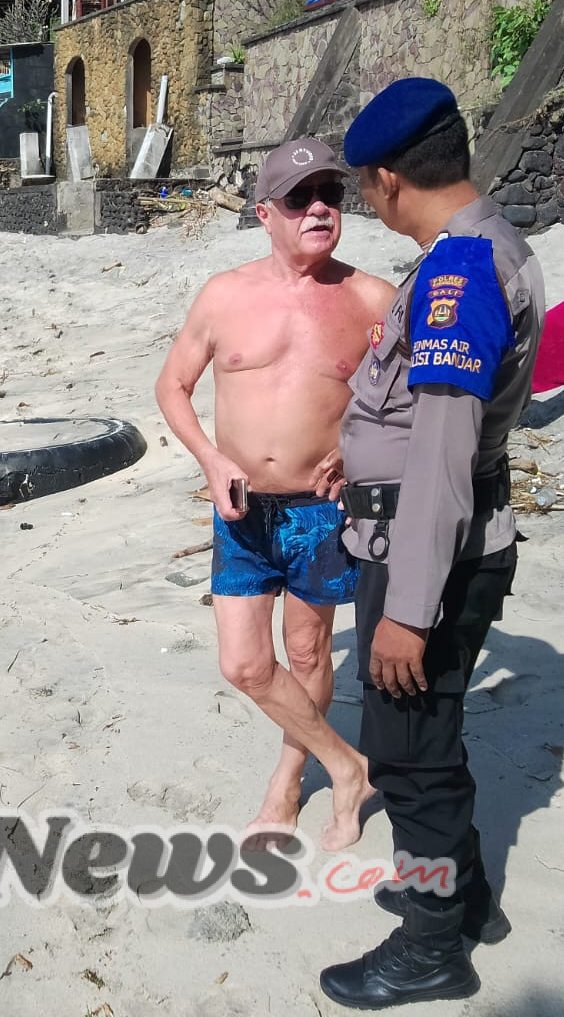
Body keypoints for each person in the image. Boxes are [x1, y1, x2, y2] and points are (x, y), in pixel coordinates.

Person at [315, 79, 544, 1009]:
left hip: (428, 552)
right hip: (416, 528)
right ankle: (461, 895)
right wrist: (357, 457)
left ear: (385, 180)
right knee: (427, 736)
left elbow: (446, 452)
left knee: (408, 751)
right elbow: (415, 420)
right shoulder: (483, 244)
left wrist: (407, 613)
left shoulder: (457, 272)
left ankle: (432, 947)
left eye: (363, 192)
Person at [155, 137, 394, 853]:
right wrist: (208, 456)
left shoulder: (372, 298)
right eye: (300, 199)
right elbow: (172, 386)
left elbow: (406, 401)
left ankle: (289, 783)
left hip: (323, 511)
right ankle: (348, 765)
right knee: (247, 666)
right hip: (241, 507)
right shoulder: (224, 295)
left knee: (310, 652)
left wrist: (356, 449)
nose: (319, 208)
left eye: (331, 195)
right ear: (266, 213)